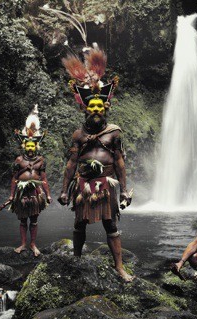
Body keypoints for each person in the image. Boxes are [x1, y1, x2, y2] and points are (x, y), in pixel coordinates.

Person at [57, 48, 134, 282]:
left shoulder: (114, 133)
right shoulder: (78, 135)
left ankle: (119, 267)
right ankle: (77, 260)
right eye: (93, 107)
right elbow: (71, 163)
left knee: (111, 225)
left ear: (106, 108)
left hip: (107, 183)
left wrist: (124, 189)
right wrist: (63, 189)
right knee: (79, 223)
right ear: (85, 108)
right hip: (84, 184)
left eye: (101, 107)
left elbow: (119, 161)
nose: (97, 110)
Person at [0, 104, 51, 255]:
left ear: (36, 146)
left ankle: (33, 244)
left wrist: (48, 194)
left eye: (33, 145)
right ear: (24, 145)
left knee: (33, 220)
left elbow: (44, 178)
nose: (31, 147)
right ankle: (22, 244)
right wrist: (12, 195)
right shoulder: (19, 160)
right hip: (21, 194)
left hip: (35, 194)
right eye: (28, 145)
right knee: (22, 220)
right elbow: (14, 178)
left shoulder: (41, 160)